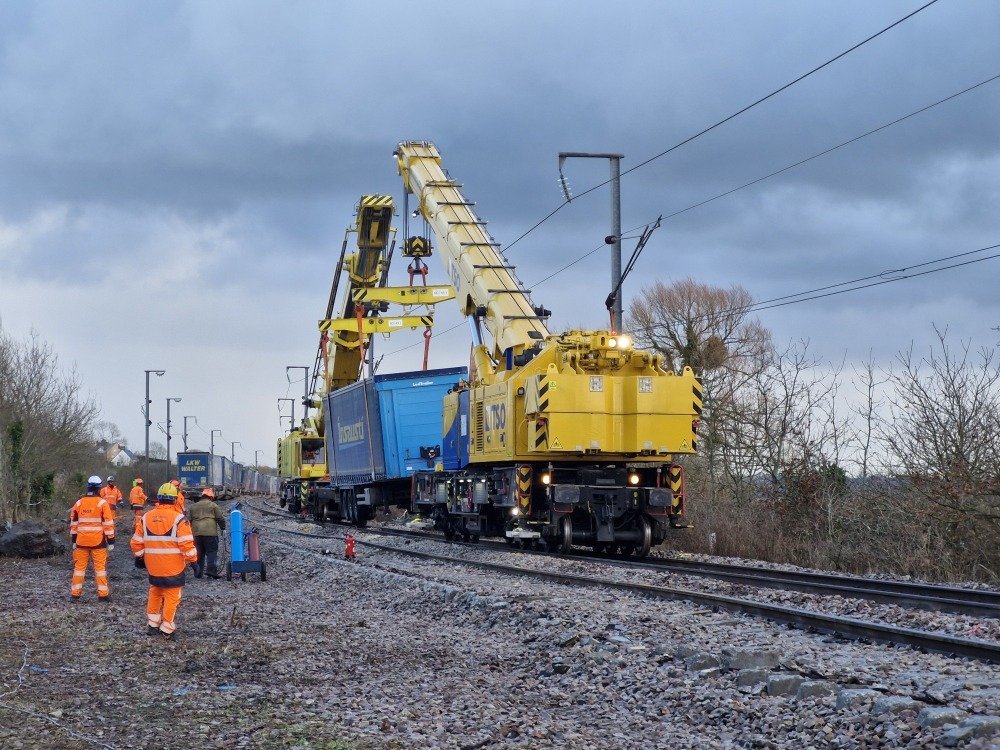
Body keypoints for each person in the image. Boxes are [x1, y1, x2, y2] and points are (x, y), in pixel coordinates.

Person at [130, 482, 197, 639]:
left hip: (153, 566)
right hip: (173, 567)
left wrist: (140, 557)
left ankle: (153, 624)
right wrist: (194, 562)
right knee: (172, 596)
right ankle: (167, 628)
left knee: (155, 591)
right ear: (174, 499)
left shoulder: (146, 517)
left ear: (159, 499)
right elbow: (186, 544)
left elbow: (136, 542)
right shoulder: (179, 519)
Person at [69, 476, 116, 602]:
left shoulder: (79, 503)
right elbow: (108, 524)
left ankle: (75, 595)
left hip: (81, 542)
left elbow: (74, 524)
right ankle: (103, 595)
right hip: (98, 543)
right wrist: (111, 540)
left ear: (88, 487)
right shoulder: (102, 503)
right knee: (100, 569)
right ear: (99, 488)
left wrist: (73, 540)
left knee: (79, 569)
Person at [188, 488, 226, 579]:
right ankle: (211, 571)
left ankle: (198, 572)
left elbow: (188, 520)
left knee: (199, 553)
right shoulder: (213, 505)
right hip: (210, 533)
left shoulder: (193, 506)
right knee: (211, 551)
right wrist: (223, 528)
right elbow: (220, 518)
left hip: (196, 533)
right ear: (211, 497)